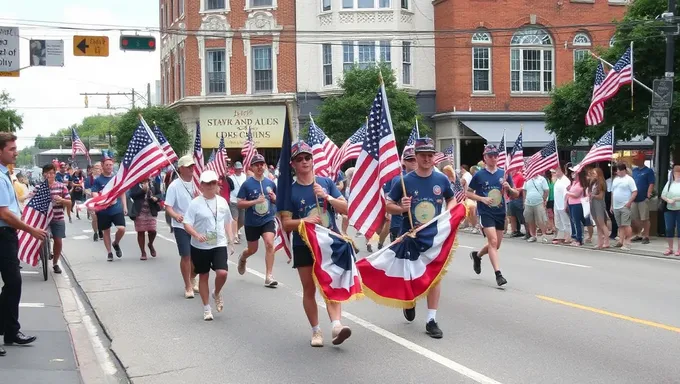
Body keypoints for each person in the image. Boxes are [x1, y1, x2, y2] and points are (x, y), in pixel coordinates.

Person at [280, 142, 352, 347]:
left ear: (313, 160)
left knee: (331, 284)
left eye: (307, 158)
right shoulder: (289, 191)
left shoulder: (326, 183)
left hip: (330, 243)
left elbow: (346, 209)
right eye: (299, 159)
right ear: (293, 163)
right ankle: (316, 330)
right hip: (305, 245)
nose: (304, 161)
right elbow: (286, 224)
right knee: (309, 288)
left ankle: (337, 326)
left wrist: (326, 196)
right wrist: (304, 222)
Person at [386, 137, 457, 339]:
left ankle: (431, 320)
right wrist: (401, 208)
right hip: (410, 236)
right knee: (410, 275)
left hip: (434, 236)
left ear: (434, 157)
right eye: (423, 155)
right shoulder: (404, 181)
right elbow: (388, 204)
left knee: (435, 275)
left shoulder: (441, 179)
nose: (427, 158)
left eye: (430, 155)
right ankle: (409, 301)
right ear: (415, 157)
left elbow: (451, 198)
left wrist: (448, 214)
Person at [0, 132, 47, 356]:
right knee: (13, 283)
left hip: (7, 234)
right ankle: (9, 329)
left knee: (13, 283)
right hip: (2, 234)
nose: (16, 152)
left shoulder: (4, 174)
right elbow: (4, 214)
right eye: (11, 149)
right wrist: (30, 229)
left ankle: (10, 331)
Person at [183, 170, 235, 321]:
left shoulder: (222, 201)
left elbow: (228, 221)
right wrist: (196, 234)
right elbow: (187, 223)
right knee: (203, 275)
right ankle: (207, 308)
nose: (211, 186)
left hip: (218, 243)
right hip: (201, 245)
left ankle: (217, 292)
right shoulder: (195, 203)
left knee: (222, 273)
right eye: (208, 183)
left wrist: (231, 239)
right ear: (202, 186)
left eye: (213, 182)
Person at [467, 144, 517, 287]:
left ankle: (477, 256)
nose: (494, 158)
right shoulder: (479, 175)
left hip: (500, 212)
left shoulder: (504, 173)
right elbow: (468, 192)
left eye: (496, 155)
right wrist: (482, 199)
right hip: (485, 212)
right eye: (490, 156)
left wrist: (509, 189)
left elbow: (515, 194)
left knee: (495, 245)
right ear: (485, 157)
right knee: (493, 242)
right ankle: (498, 274)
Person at [236, 154, 279, 287]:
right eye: (257, 164)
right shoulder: (247, 184)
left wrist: (274, 198)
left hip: (268, 219)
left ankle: (269, 276)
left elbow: (277, 201)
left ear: (265, 166)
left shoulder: (270, 183)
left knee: (269, 243)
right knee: (252, 249)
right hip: (252, 222)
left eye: (262, 164)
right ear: (252, 167)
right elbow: (239, 203)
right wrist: (255, 201)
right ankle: (243, 258)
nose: (260, 166)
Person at [165, 156, 200, 298]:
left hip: (198, 225)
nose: (191, 168)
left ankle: (193, 276)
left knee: (198, 257)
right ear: (180, 169)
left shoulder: (198, 182)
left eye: (192, 166)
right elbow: (168, 207)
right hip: (181, 226)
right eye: (188, 166)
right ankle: (188, 286)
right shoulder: (174, 186)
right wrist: (176, 216)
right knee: (186, 255)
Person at [91, 157, 127, 261]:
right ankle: (109, 252)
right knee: (106, 231)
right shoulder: (98, 180)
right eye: (106, 165)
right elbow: (94, 193)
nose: (109, 167)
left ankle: (116, 243)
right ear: (102, 166)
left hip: (116, 208)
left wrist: (124, 206)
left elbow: (122, 192)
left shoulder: (117, 178)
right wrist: (99, 202)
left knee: (121, 228)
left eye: (110, 165)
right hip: (103, 210)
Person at [42, 163, 71, 274]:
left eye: (52, 173)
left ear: (55, 174)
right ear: (43, 174)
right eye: (47, 173)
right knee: (40, 237)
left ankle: (55, 263)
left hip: (57, 217)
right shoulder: (39, 187)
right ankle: (42, 253)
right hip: (43, 218)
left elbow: (69, 201)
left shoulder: (61, 186)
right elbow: (31, 198)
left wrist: (62, 200)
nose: (49, 175)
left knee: (58, 241)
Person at [385, 147, 417, 243]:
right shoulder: (399, 179)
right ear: (404, 162)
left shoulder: (424, 178)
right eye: (409, 159)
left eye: (415, 159)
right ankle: (379, 243)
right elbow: (389, 200)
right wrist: (401, 208)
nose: (413, 162)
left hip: (418, 224)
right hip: (399, 223)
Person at [129, 177, 163, 260]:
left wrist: (156, 198)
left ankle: (150, 244)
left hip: (151, 210)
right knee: (141, 232)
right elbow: (132, 195)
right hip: (139, 210)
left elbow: (159, 194)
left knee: (153, 230)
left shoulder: (153, 183)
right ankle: (143, 252)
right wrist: (142, 191)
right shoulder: (135, 183)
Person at [611, 163, 638, 250]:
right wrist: (611, 204)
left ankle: (628, 242)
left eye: (619, 170)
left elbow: (634, 191)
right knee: (620, 225)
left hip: (625, 205)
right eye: (617, 170)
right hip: (616, 205)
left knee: (626, 224)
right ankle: (621, 241)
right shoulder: (615, 179)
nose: (617, 171)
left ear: (624, 170)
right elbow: (613, 192)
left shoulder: (629, 179)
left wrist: (629, 202)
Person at [631, 152, 655, 243]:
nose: (635, 161)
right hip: (634, 198)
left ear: (641, 159)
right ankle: (638, 234)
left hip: (643, 198)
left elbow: (651, 183)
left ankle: (646, 236)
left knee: (645, 218)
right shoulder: (634, 171)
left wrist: (648, 194)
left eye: (636, 159)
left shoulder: (648, 171)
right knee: (635, 218)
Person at [523, 170, 550, 243]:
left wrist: (544, 200)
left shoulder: (542, 179)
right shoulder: (527, 179)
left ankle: (544, 235)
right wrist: (524, 201)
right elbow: (524, 190)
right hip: (528, 203)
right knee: (530, 220)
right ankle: (533, 236)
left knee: (541, 220)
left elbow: (546, 190)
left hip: (539, 202)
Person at [660, 163, 680, 255]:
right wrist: (668, 200)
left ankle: (679, 249)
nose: (677, 174)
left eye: (678, 173)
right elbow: (663, 195)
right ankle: (670, 248)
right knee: (669, 229)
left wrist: (676, 199)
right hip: (669, 209)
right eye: (675, 173)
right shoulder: (669, 183)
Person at [588, 168, 609, 249]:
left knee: (602, 224)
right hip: (593, 204)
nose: (593, 175)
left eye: (594, 173)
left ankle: (606, 242)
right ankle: (599, 242)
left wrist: (593, 195)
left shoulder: (601, 183)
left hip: (599, 204)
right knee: (597, 225)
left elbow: (600, 196)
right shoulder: (593, 183)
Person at [552, 163, 572, 245]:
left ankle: (568, 236)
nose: (555, 172)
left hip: (563, 204)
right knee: (558, 221)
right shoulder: (557, 180)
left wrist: (565, 204)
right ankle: (561, 236)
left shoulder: (566, 180)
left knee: (566, 221)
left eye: (557, 170)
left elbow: (566, 193)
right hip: (557, 204)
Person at [228, 162, 247, 244]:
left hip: (242, 201)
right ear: (234, 169)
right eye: (237, 169)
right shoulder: (230, 178)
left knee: (242, 220)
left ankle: (236, 230)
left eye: (240, 168)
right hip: (233, 200)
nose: (238, 170)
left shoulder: (245, 176)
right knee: (235, 218)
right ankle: (235, 235)